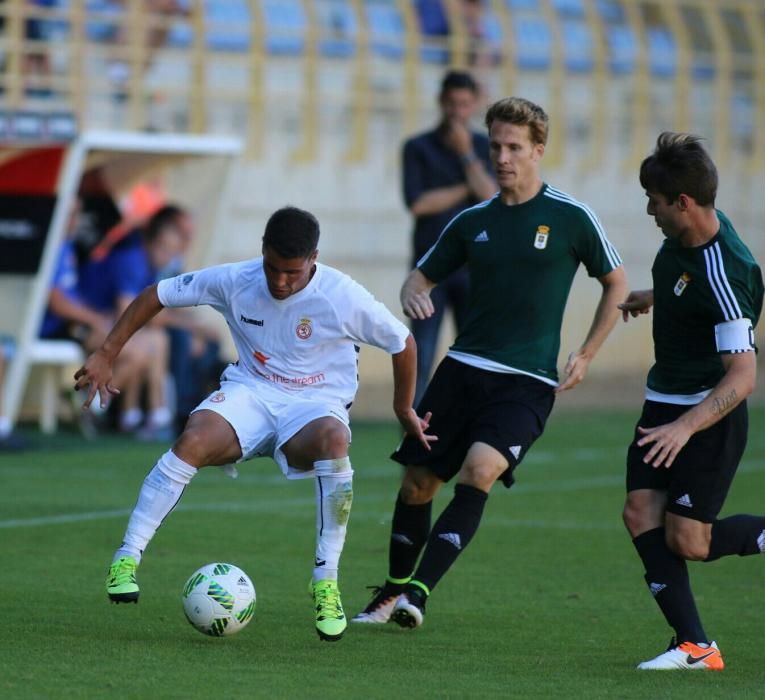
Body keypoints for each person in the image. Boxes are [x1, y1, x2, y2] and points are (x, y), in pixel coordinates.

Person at [75, 206, 433, 642]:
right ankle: (127, 558)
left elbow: (403, 341)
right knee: (192, 439)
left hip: (314, 404)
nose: (281, 281)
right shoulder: (235, 279)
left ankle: (325, 582)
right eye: (273, 268)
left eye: (293, 273)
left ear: (313, 259)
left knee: (336, 440)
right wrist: (107, 354)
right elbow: (156, 294)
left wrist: (402, 408)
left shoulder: (342, 295)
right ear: (262, 250)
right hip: (251, 392)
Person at [353, 96, 627, 628]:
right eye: (495, 146)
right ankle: (392, 592)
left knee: (480, 470)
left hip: (526, 382)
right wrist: (413, 294)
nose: (502, 157)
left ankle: (418, 596)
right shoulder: (471, 221)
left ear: (538, 150)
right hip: (462, 371)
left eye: (514, 147)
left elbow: (615, 283)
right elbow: (420, 276)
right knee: (417, 484)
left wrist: (588, 353)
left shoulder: (571, 217)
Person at [618, 132, 764, 671]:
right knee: (639, 512)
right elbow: (689, 282)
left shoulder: (729, 273)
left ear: (682, 202)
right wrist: (656, 296)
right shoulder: (684, 238)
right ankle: (695, 646)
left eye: (654, 201)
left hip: (706, 416)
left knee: (690, 542)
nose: (649, 210)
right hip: (662, 402)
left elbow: (744, 376)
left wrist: (685, 428)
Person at [402, 69, 496, 403]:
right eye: (452, 103)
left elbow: (492, 199)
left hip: (475, 268)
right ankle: (414, 436)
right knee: (421, 355)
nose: (457, 111)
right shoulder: (417, 148)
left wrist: (467, 155)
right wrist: (466, 186)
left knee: (476, 355)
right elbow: (420, 203)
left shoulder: (486, 148)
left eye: (464, 104)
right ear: (441, 102)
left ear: (474, 106)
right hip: (429, 271)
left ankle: (470, 428)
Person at [78, 208, 183, 437]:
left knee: (157, 339)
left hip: (107, 322)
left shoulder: (148, 264)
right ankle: (92, 408)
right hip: (85, 323)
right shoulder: (132, 260)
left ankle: (143, 414)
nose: (168, 257)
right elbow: (128, 313)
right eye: (164, 249)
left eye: (172, 252)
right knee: (144, 348)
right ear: (151, 242)